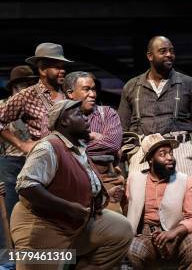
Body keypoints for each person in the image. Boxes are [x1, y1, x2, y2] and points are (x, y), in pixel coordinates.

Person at [10, 100, 132, 270]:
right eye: (79, 114)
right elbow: (27, 187)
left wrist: (102, 196)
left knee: (121, 230)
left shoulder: (77, 148)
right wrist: (68, 207)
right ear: (64, 121)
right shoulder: (47, 147)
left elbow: (74, 183)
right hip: (41, 225)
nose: (87, 118)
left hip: (75, 222)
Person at [118, 36, 192, 190]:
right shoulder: (132, 86)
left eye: (171, 51)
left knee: (184, 202)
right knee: (138, 203)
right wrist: (120, 168)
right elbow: (121, 131)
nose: (169, 54)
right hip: (142, 151)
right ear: (150, 56)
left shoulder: (189, 85)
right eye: (163, 51)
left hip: (179, 150)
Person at [126, 133, 192, 269]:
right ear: (151, 159)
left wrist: (174, 232)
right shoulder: (134, 180)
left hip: (177, 237)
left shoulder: (185, 181)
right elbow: (128, 212)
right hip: (147, 238)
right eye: (162, 154)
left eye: (171, 153)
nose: (170, 157)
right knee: (131, 248)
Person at [64, 71, 125, 213]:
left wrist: (73, 144)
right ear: (70, 93)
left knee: (115, 226)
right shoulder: (55, 116)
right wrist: (90, 136)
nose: (93, 94)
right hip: (69, 182)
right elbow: (53, 148)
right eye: (86, 89)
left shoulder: (108, 114)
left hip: (105, 181)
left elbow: (113, 144)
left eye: (93, 89)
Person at [0, 43, 71, 150]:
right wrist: (21, 145)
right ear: (42, 70)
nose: (63, 71)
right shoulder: (27, 96)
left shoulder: (69, 93)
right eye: (57, 67)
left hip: (69, 156)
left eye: (63, 67)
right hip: (45, 157)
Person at [0, 66, 39, 218]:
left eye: (32, 85)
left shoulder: (35, 109)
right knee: (10, 210)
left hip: (36, 165)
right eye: (26, 85)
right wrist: (21, 144)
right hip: (10, 163)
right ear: (15, 87)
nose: (31, 89)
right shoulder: (3, 106)